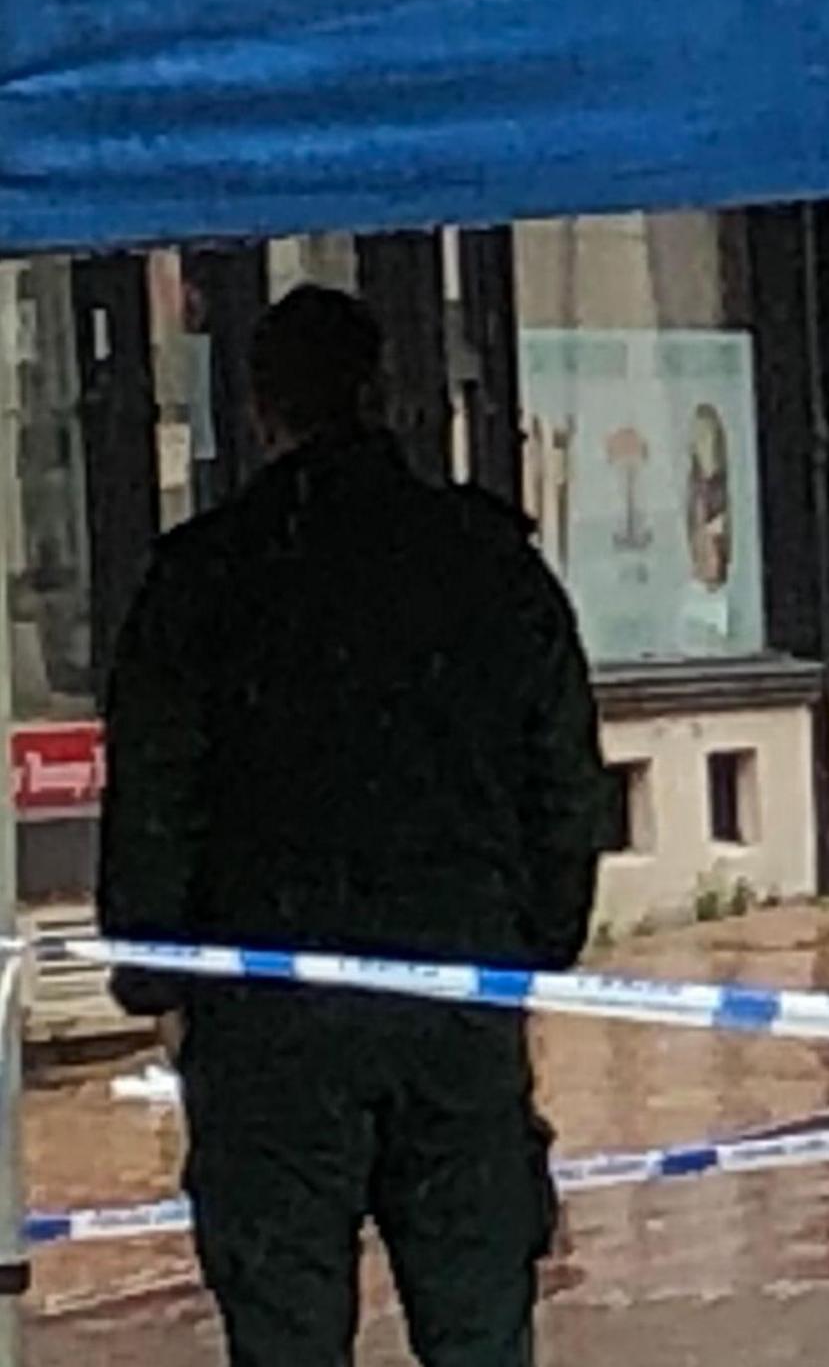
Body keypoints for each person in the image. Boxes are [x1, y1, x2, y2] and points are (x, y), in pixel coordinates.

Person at [100, 285, 606, 1367]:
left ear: (261, 406)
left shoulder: (205, 577)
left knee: (284, 1327)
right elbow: (566, 779)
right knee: (476, 1321)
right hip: (454, 990)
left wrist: (154, 970)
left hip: (269, 1011)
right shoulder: (486, 561)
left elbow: (151, 792)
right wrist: (530, 953)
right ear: (381, 393)